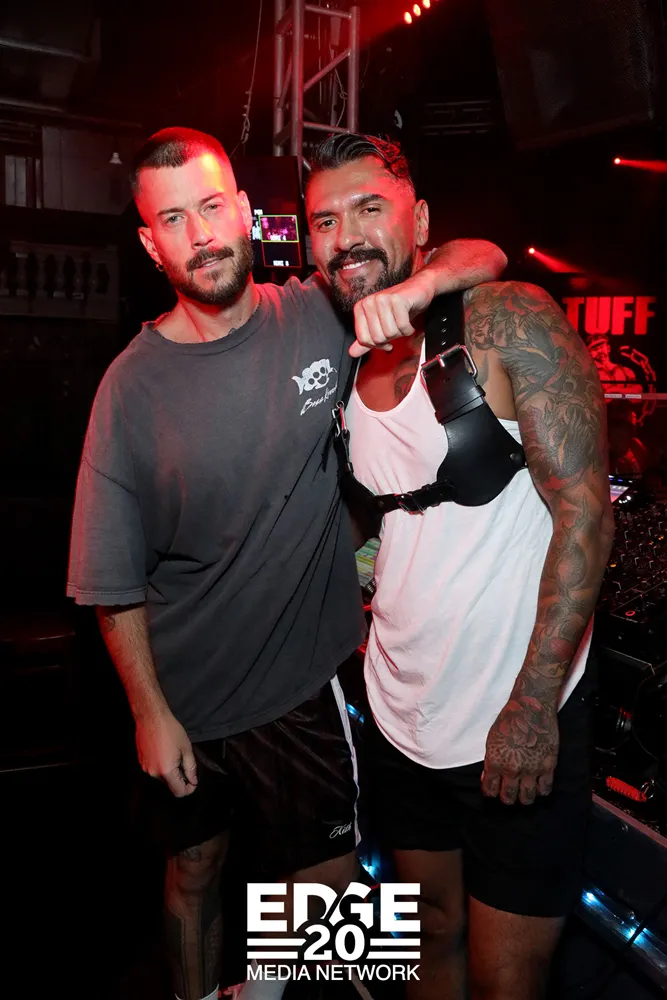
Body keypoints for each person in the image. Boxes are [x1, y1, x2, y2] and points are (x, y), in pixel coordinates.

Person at [66, 126, 506, 1000]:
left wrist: (418, 285)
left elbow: (483, 254)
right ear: (151, 244)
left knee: (328, 890)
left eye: (211, 206)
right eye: (173, 219)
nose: (201, 234)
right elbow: (109, 580)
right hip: (185, 697)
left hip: (302, 689)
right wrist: (150, 714)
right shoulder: (128, 388)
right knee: (195, 872)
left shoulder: (315, 313)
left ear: (244, 211)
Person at [305, 132, 615, 1000]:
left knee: (504, 977)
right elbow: (388, 512)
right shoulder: (341, 349)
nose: (346, 236)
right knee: (425, 934)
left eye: (369, 208)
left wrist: (533, 707)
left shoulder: (505, 318)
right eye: (324, 220)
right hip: (399, 712)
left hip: (513, 716)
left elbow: (585, 513)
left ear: (420, 224)